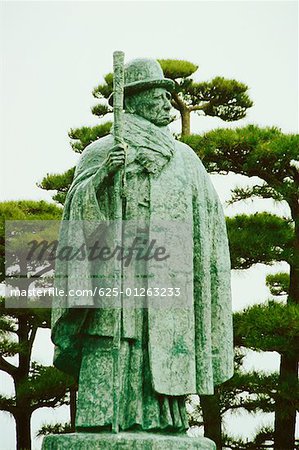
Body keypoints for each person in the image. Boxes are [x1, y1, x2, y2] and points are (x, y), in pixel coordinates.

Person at [51, 58, 234, 433]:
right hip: (115, 271)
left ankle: (164, 422)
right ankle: (101, 417)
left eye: (169, 95)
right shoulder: (101, 151)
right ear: (131, 100)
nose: (167, 103)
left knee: (162, 341)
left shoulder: (185, 160)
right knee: (110, 336)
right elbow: (76, 210)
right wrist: (103, 177)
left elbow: (209, 229)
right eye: (156, 95)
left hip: (167, 277)